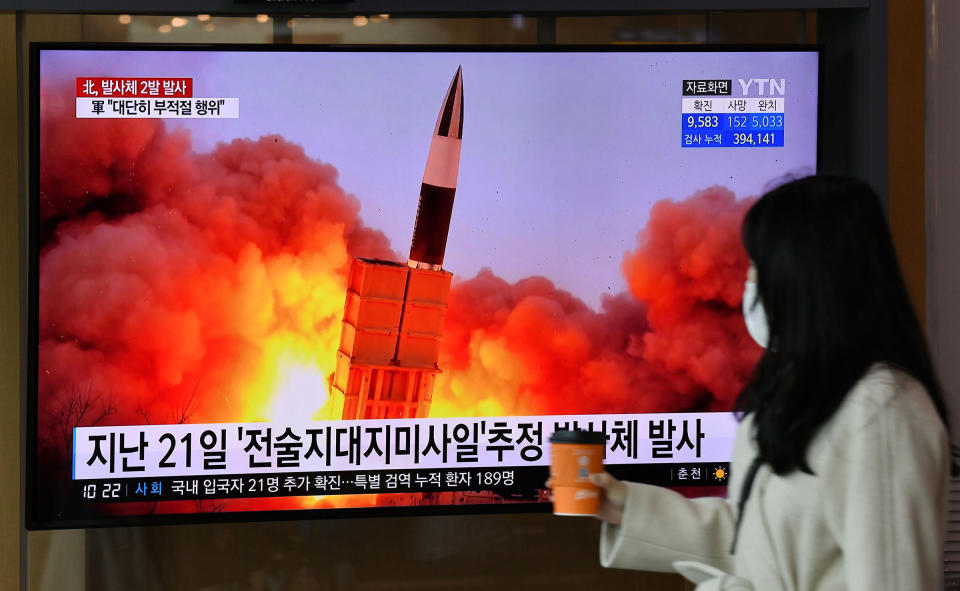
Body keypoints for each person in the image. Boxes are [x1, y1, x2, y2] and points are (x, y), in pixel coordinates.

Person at [588, 175, 953, 590]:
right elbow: (758, 537)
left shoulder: (884, 411)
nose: (749, 287)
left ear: (806, 277)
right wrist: (627, 508)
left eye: (758, 268)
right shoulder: (799, 395)